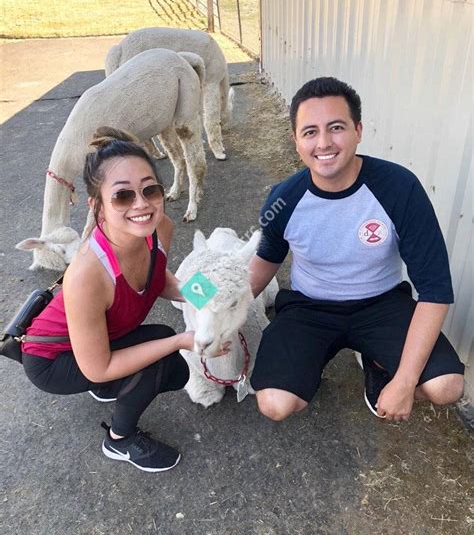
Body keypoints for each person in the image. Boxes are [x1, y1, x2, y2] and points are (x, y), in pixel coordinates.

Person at [249, 77, 464, 423]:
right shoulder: (283, 199)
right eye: (309, 132)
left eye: (336, 127)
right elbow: (260, 263)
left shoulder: (399, 187)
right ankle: (308, 365)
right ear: (295, 140)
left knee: (446, 386)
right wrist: (201, 302)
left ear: (358, 130)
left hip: (382, 304)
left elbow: (435, 289)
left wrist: (405, 381)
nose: (323, 143)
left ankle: (379, 368)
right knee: (274, 404)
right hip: (309, 307)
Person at [21, 127, 228, 473]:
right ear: (97, 205)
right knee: (164, 359)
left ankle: (109, 389)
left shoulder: (160, 228)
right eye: (122, 197)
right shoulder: (87, 275)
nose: (142, 204)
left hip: (97, 340)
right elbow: (97, 366)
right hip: (53, 359)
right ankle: (119, 440)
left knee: (172, 367)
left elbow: (158, 278)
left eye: (151, 189)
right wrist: (181, 340)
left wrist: (212, 299)